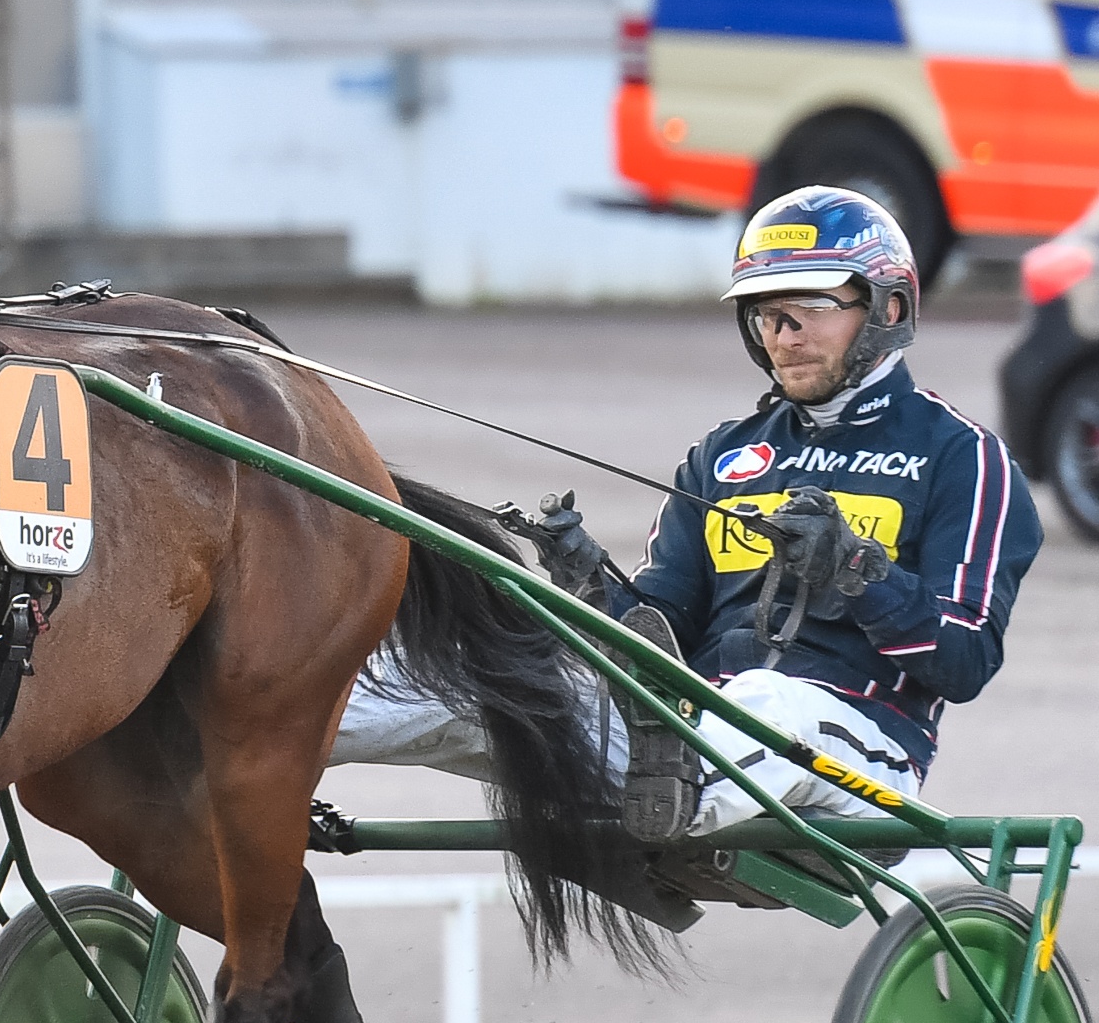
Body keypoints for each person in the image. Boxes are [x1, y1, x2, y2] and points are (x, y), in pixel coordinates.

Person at [334, 184, 1041, 841]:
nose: (782, 333)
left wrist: (854, 569)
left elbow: (965, 661)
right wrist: (591, 589)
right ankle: (245, 743)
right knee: (462, 670)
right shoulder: (724, 455)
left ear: (887, 308)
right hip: (689, 736)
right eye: (765, 312)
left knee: (770, 696)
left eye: (809, 308)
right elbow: (660, 638)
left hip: (856, 757)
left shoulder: (961, 457)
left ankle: (670, 788)